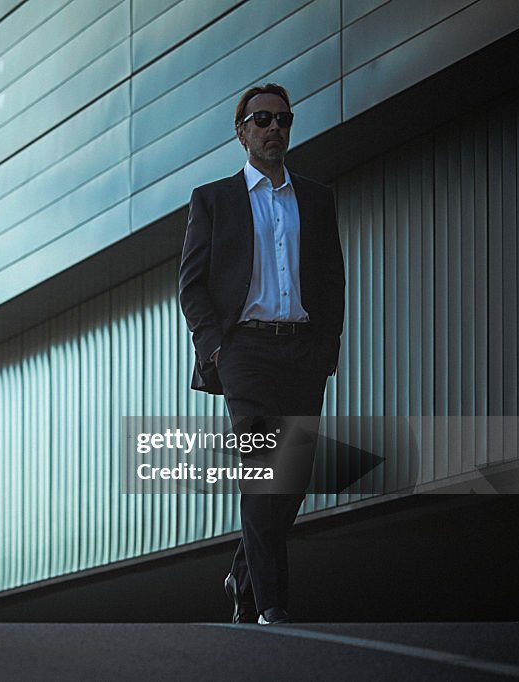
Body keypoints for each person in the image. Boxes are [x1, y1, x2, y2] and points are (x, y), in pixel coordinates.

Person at [178, 83, 345, 625]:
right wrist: (216, 348)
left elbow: (332, 282)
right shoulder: (214, 199)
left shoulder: (317, 199)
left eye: (283, 119)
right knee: (262, 471)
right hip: (244, 352)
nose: (275, 128)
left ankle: (243, 572)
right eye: (263, 119)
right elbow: (191, 284)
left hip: (301, 352)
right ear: (242, 131)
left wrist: (325, 352)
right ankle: (271, 604)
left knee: (291, 479)